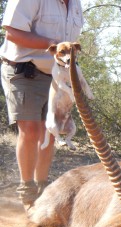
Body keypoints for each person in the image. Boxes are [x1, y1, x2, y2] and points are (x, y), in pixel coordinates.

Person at [0, 0, 84, 207]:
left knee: (50, 132)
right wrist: (54, 44)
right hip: (24, 69)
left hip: (57, 76)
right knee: (30, 129)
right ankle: (27, 193)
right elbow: (12, 33)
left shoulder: (75, 4)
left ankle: (42, 190)